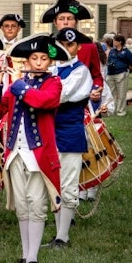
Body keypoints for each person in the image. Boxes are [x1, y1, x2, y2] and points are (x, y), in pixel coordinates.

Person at [0, 33, 67, 263]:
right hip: (15, 153)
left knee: (37, 203)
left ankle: (33, 256)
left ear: (50, 62)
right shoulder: (15, 85)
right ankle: (25, 253)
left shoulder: (54, 83)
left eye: (44, 58)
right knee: (22, 204)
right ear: (28, 61)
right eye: (35, 58)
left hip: (39, 155)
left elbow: (42, 101)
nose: (40, 62)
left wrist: (18, 84)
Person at [46, 27, 93, 249]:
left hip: (70, 132)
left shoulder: (81, 71)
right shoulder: (50, 68)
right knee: (53, 182)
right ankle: (57, 233)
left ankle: (63, 236)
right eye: (62, 44)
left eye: (70, 44)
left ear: (78, 47)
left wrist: (40, 90)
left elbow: (59, 95)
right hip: (49, 131)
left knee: (68, 183)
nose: (66, 48)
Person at [106, 34, 132, 116]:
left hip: (121, 74)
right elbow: (109, 60)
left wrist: (127, 69)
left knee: (121, 93)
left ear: (120, 42)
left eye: (115, 40)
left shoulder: (126, 52)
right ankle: (112, 110)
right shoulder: (112, 51)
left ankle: (120, 111)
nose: (113, 42)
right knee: (111, 93)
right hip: (110, 74)